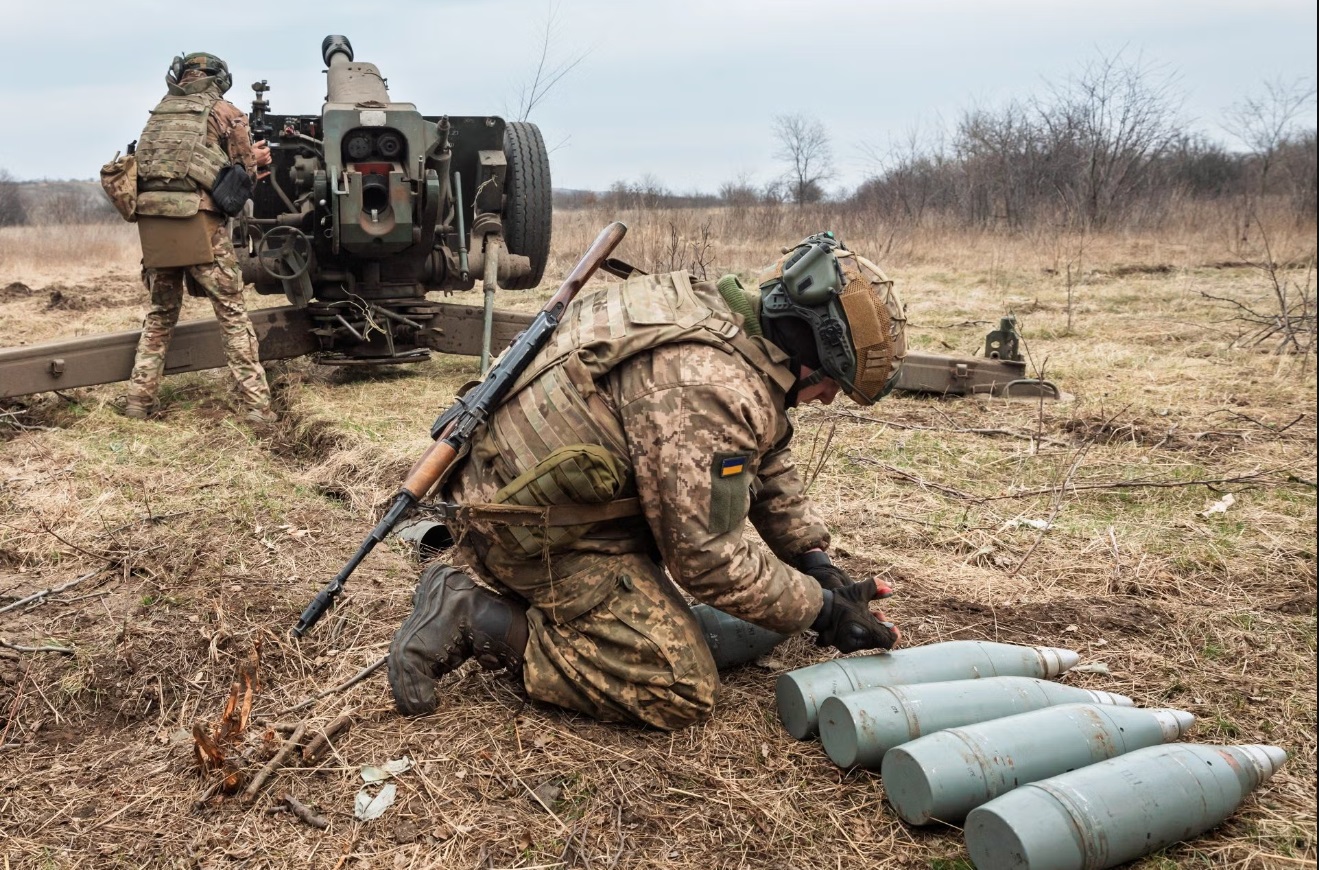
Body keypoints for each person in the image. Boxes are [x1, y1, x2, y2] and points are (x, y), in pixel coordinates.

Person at [388, 232, 908, 729]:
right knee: (679, 685)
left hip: (520, 491)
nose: (827, 399)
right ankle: (475, 614)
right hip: (526, 534)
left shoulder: (713, 312)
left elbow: (763, 448)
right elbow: (706, 562)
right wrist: (821, 611)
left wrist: (812, 559)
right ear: (811, 352)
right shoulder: (708, 386)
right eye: (830, 384)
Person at [116, 52, 276, 424]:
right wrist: (258, 159)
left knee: (159, 316)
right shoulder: (226, 111)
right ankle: (258, 410)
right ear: (219, 78)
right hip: (199, 223)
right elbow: (244, 173)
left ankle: (138, 402)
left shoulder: (160, 111)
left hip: (155, 225)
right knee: (233, 316)